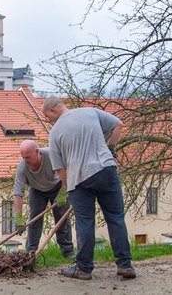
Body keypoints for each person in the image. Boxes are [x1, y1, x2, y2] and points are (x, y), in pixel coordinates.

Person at [42, 96, 136, 280]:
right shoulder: (90, 111)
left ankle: (84, 268)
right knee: (116, 218)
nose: (49, 120)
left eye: (47, 116)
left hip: (80, 179)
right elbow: (119, 125)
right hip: (106, 169)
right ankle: (125, 265)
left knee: (85, 222)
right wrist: (110, 150)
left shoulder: (54, 133)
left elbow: (59, 167)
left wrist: (69, 187)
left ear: (53, 110)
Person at [13, 139, 74, 258]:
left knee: (62, 218)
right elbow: (18, 193)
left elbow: (67, 171)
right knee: (35, 219)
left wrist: (63, 191)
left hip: (58, 186)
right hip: (37, 190)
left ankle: (67, 252)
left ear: (37, 152)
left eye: (28, 157)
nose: (26, 161)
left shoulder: (51, 155)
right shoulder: (22, 167)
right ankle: (31, 252)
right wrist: (18, 217)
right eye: (23, 157)